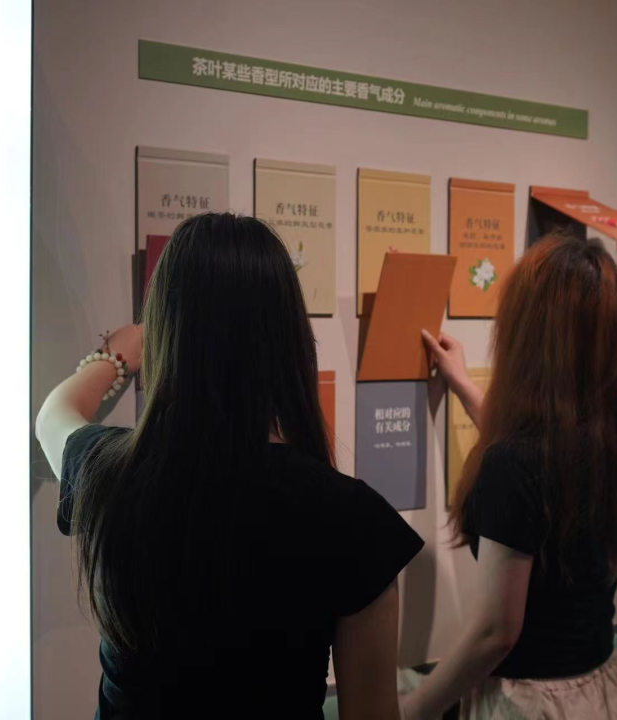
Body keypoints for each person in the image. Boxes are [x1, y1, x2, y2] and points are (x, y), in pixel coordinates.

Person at [35, 213, 423, 719]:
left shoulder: (111, 472)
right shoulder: (354, 521)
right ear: (289, 339)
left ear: (167, 337)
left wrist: (120, 352)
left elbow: (53, 415)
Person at [402, 235, 617, 720]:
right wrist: (464, 386)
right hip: (605, 692)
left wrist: (412, 709)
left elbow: (495, 633)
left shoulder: (514, 465)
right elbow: (544, 458)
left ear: (530, 333)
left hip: (532, 705)